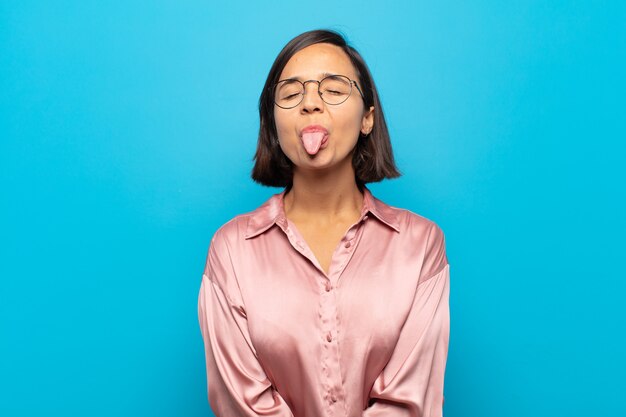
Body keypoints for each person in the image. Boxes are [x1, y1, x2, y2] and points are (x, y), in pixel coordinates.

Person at [197, 29, 450, 417]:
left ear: (367, 118)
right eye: (291, 93)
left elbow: (409, 401)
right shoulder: (231, 249)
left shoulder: (420, 244)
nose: (311, 104)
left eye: (333, 89)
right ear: (273, 123)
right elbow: (242, 404)